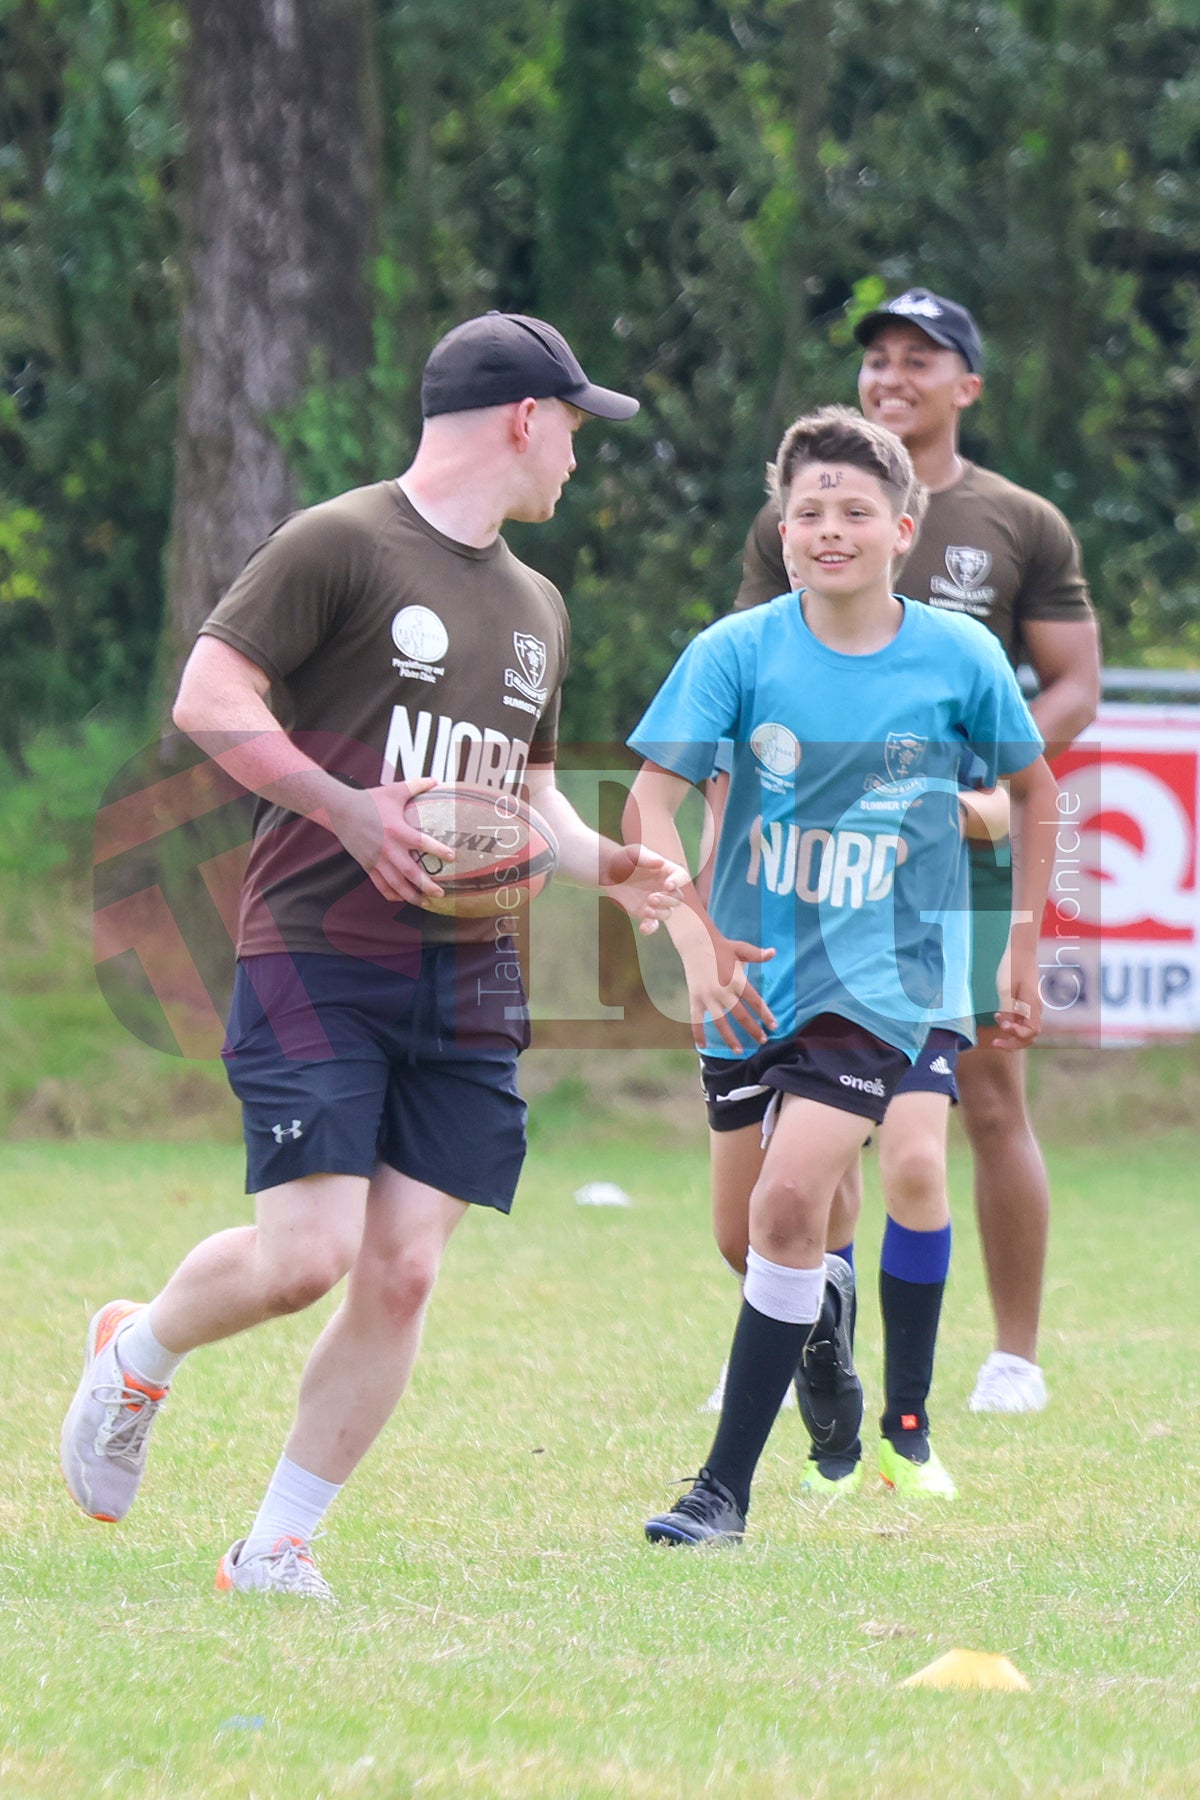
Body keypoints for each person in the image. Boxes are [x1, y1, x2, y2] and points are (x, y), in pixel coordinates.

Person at [60, 311, 680, 1600]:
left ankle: (276, 1546)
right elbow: (208, 698)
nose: (577, 454)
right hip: (314, 951)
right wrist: (344, 806)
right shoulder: (339, 542)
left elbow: (532, 796)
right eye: (574, 426)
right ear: (524, 418)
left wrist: (604, 867)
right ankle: (139, 1349)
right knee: (306, 1259)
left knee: (402, 1269)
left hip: (470, 974)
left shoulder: (538, 605)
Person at [624, 404, 1058, 1543]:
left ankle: (720, 1493)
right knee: (750, 1237)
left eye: (855, 511)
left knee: (786, 1201)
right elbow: (648, 804)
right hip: (747, 978)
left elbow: (1035, 793)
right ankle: (829, 1364)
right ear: (780, 526)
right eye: (807, 509)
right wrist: (690, 937)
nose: (829, 528)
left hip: (881, 980)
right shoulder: (736, 651)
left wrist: (1017, 945)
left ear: (902, 529)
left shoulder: (958, 657)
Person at [731, 288, 1100, 1414]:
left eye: (920, 360)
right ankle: (800, 1327)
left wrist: (980, 786)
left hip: (962, 850)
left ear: (967, 386)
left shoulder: (1020, 519)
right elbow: (753, 668)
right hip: (826, 858)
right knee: (807, 1095)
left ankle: (1014, 1357)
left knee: (985, 1098)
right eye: (878, 358)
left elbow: (1075, 679)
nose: (892, 376)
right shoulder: (809, 507)